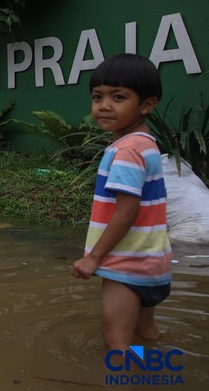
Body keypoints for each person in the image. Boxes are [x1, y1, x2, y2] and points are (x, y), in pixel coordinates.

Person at [70, 53, 172, 352]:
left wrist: (95, 257)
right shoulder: (146, 143)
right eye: (97, 96)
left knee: (117, 341)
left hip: (126, 264)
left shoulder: (127, 150)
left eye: (118, 97)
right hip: (152, 263)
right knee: (145, 331)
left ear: (147, 105)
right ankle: (164, 375)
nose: (104, 105)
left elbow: (127, 212)